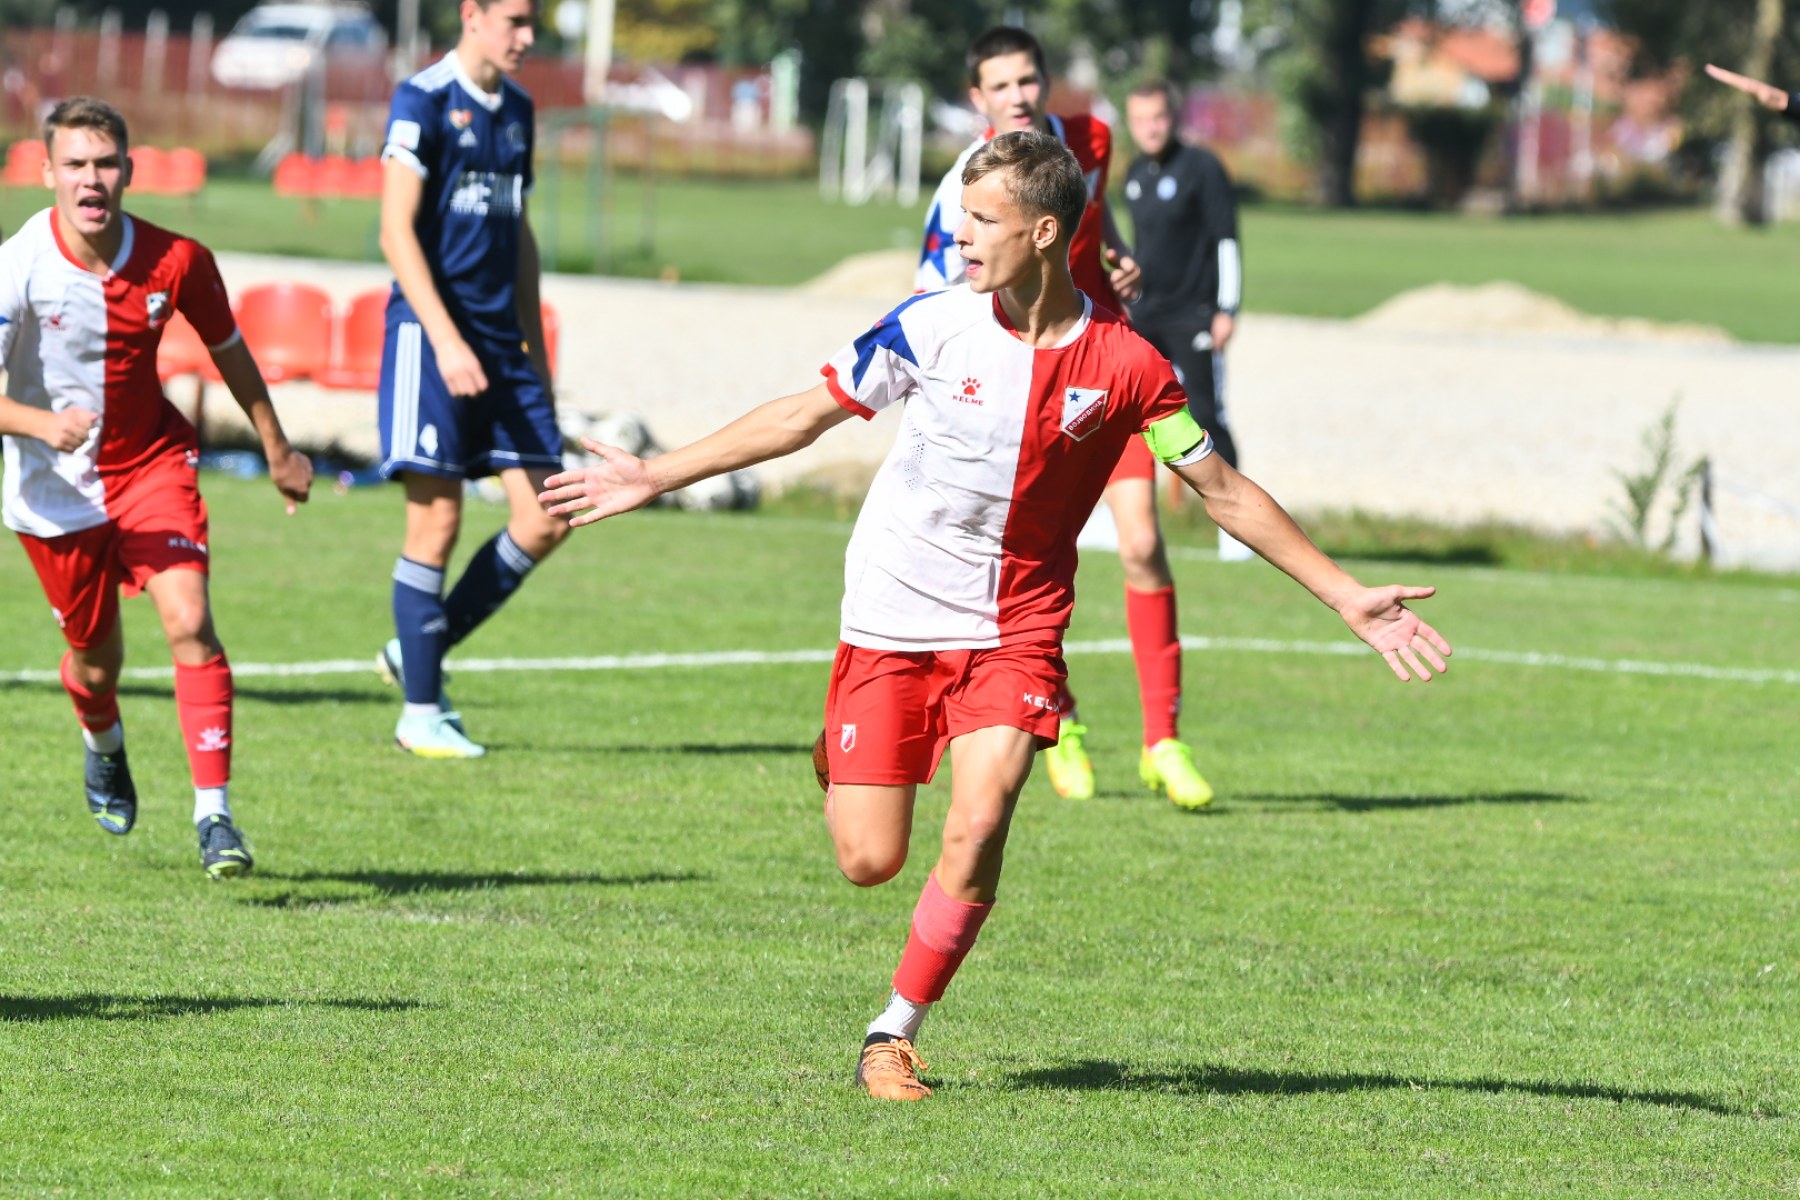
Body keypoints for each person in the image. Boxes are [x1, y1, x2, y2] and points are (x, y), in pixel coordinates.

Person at [540, 130, 1452, 1101]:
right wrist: (659, 472)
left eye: (984, 220)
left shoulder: (1131, 367)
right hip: (892, 607)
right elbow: (804, 415)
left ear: (1047, 233)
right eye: (962, 217)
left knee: (978, 828)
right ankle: (845, 753)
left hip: (1016, 631)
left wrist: (1345, 594)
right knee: (868, 859)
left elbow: (1221, 488)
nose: (962, 236)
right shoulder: (931, 325)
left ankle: (892, 1033)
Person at [0, 97, 314, 878]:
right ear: (47, 173)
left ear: (130, 171)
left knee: (189, 621)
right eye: (75, 165)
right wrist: (41, 426)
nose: (91, 179)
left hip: (152, 469)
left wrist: (277, 447)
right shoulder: (18, 266)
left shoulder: (178, 260)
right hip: (53, 496)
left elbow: (230, 349)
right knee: (95, 664)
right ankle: (102, 742)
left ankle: (216, 817)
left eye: (105, 163)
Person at [918, 26, 1211, 810]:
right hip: (1023, 395)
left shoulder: (1089, 139)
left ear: (1045, 83)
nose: (1018, 95)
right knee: (1029, 571)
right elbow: (939, 284)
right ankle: (1065, 721)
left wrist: (1112, 250)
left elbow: (1091, 208)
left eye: (1028, 80)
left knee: (1144, 543)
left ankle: (1163, 742)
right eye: (1000, 85)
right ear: (978, 99)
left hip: (1105, 367)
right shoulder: (968, 184)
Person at [374, 0, 566, 758]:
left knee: (549, 513)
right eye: (515, 20)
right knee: (437, 522)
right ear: (472, 14)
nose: (526, 37)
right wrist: (447, 339)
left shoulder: (518, 109)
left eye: (533, 24)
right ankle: (420, 713)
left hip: (501, 346)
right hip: (430, 338)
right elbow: (395, 231)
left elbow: (518, 234)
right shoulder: (421, 100)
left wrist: (538, 357)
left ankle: (417, 648)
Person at [1121, 79, 1251, 561]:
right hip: (1146, 315)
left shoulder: (1203, 168)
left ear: (1173, 117)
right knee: (1123, 415)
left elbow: (1226, 240)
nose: (1150, 128)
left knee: (1206, 413)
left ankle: (1237, 529)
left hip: (1195, 314)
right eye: (1140, 119)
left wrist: (1226, 308)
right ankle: (1126, 515)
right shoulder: (1134, 174)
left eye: (1158, 117)